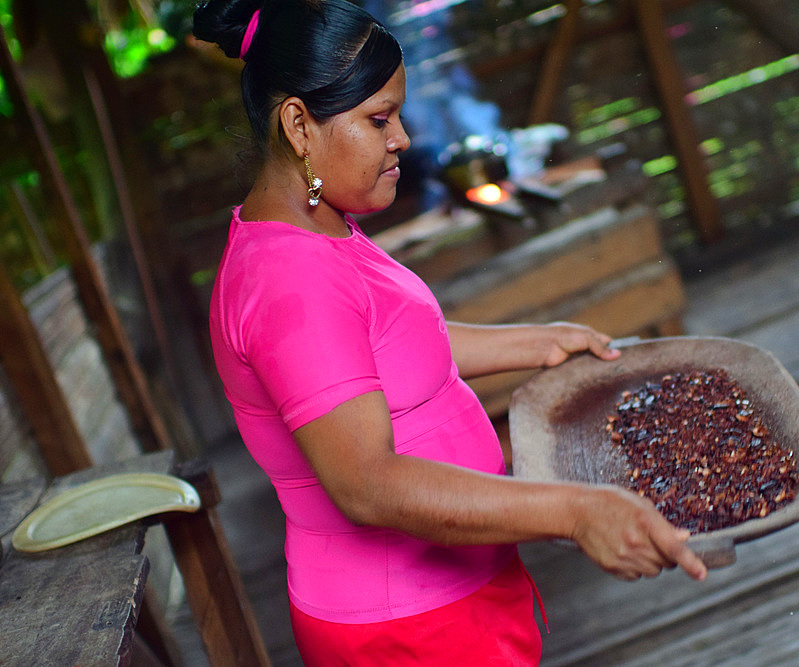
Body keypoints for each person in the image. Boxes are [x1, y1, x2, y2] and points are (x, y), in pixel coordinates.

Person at [192, 1, 707, 664]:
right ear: (298, 124)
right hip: (405, 625)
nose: (401, 137)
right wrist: (575, 510)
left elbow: (386, 346)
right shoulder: (286, 281)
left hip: (449, 594)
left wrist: (538, 341)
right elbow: (367, 483)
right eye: (379, 119)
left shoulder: (317, 227)